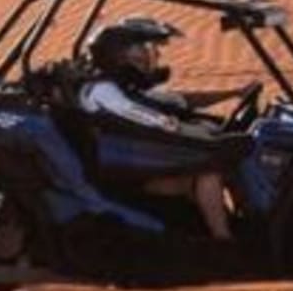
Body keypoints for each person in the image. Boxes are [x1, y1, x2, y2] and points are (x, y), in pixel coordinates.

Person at [77, 16, 258, 239]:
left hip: (142, 163)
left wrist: (233, 94)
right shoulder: (103, 91)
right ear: (121, 57)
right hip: (129, 177)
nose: (153, 57)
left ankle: (246, 224)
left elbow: (179, 101)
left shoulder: (125, 87)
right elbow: (146, 117)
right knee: (208, 174)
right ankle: (223, 241)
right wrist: (189, 132)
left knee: (226, 163)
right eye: (143, 52)